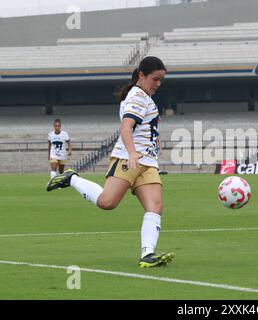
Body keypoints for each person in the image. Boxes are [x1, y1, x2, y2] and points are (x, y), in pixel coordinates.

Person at [46, 56, 174, 267]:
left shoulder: (145, 96)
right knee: (107, 202)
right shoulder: (137, 96)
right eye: (155, 79)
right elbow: (125, 127)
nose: (158, 84)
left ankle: (147, 255)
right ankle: (72, 178)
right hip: (128, 158)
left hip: (147, 161)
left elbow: (143, 126)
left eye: (161, 80)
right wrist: (132, 153)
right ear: (141, 75)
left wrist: (154, 139)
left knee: (155, 206)